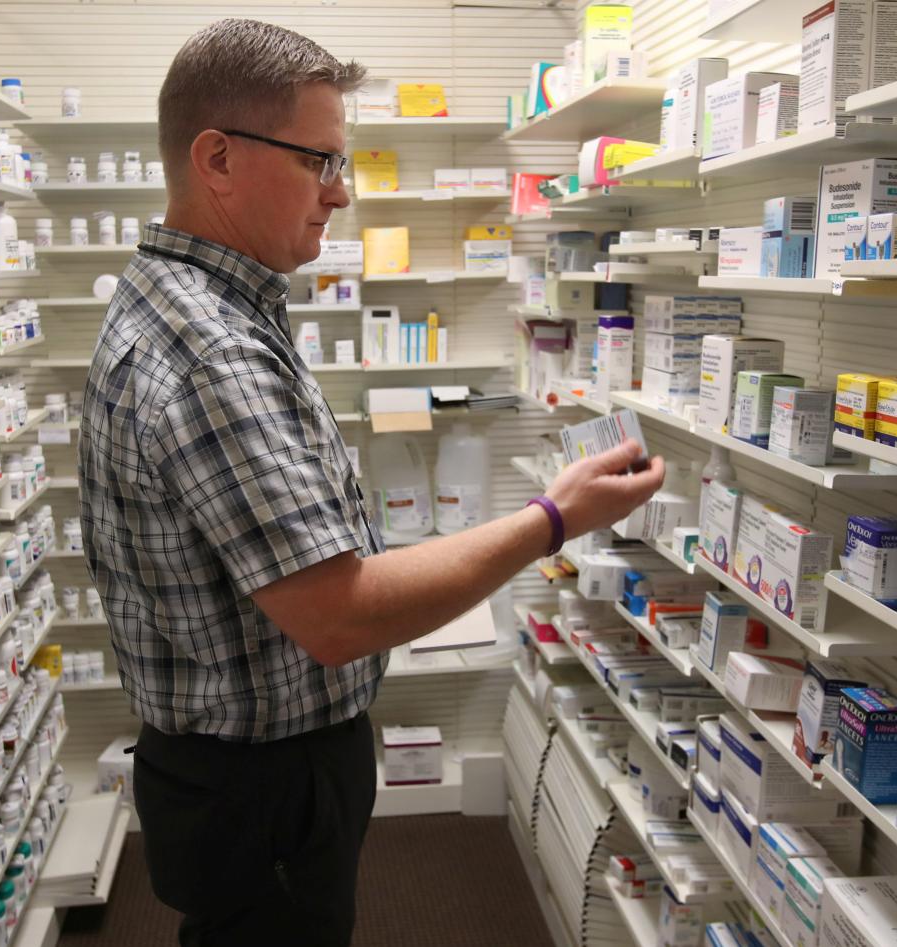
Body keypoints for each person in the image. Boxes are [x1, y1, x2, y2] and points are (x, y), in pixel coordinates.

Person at [78, 18, 666, 946]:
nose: (341, 193)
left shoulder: (191, 300)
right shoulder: (211, 350)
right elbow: (340, 614)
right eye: (319, 161)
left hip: (237, 773)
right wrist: (556, 517)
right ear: (217, 158)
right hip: (263, 785)